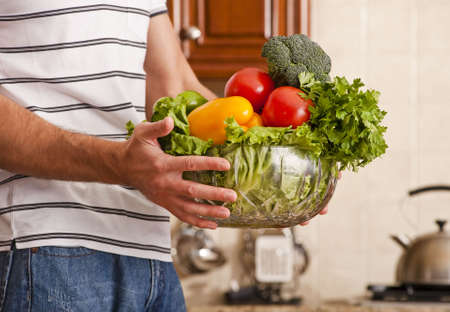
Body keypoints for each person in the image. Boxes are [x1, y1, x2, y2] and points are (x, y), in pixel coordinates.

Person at [0, 2, 328, 311]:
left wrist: (284, 165)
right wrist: (120, 164)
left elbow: (175, 87)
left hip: (147, 252)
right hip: (43, 246)